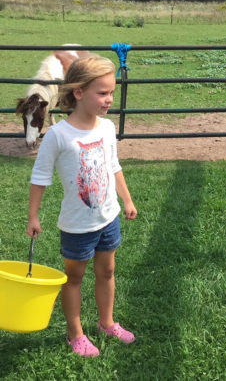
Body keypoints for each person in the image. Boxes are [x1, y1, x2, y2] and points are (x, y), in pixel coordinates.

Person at [26, 55, 137, 357]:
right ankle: (75, 334)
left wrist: (126, 199)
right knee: (74, 278)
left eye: (111, 92)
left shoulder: (107, 128)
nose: (109, 99)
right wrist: (33, 216)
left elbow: (113, 165)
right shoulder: (59, 136)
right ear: (78, 92)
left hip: (108, 218)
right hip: (77, 226)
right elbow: (40, 176)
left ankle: (107, 323)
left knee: (108, 271)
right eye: (102, 93)